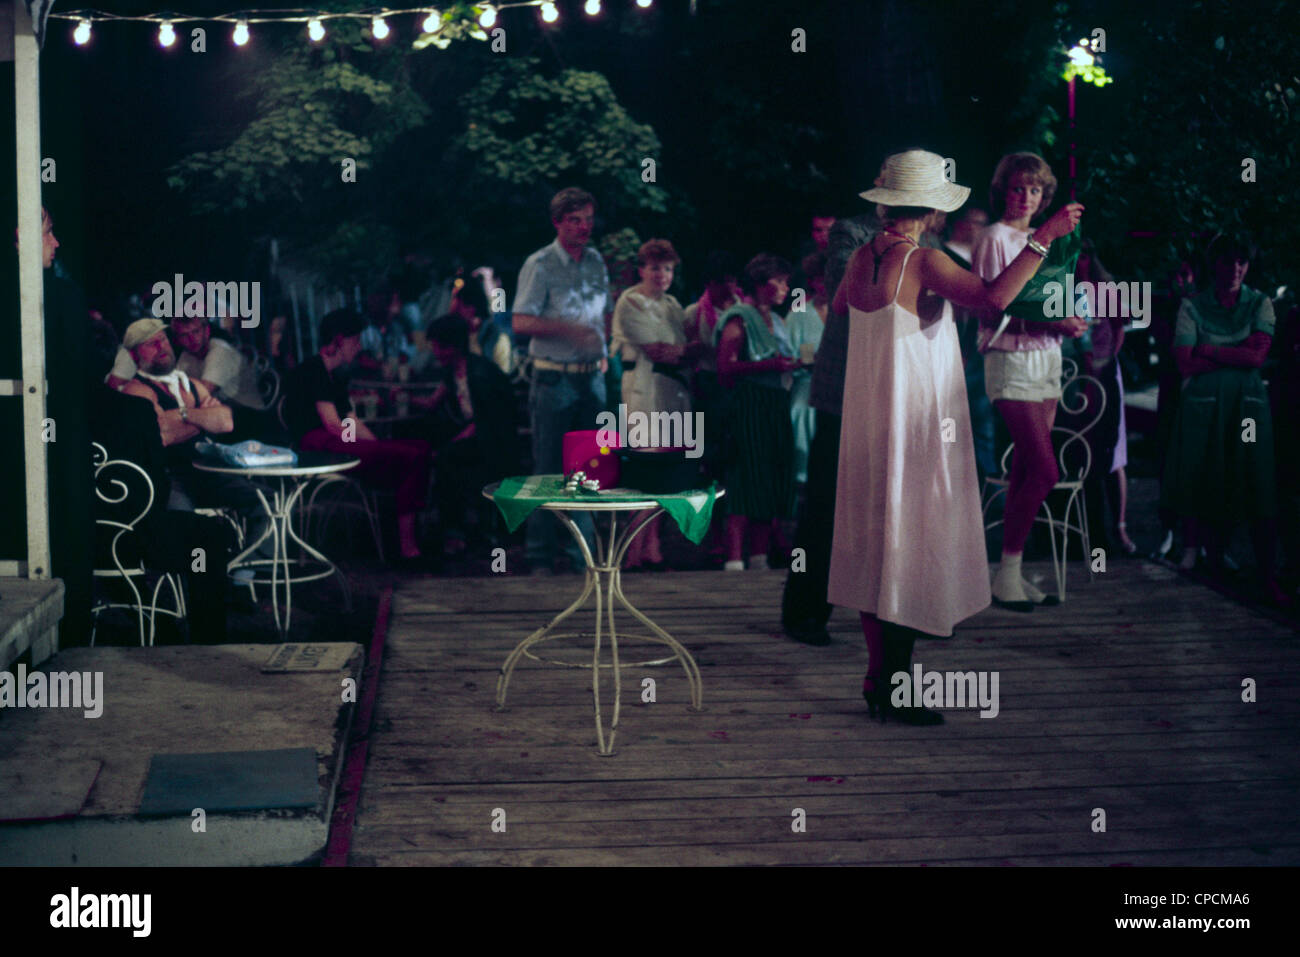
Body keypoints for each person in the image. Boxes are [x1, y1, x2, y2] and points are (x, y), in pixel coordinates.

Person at [829, 149, 1084, 724]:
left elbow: (840, 323)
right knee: (908, 545)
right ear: (928, 209)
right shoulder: (923, 260)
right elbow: (995, 299)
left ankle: (879, 680)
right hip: (914, 421)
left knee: (877, 548)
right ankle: (895, 689)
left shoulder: (859, 259)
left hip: (869, 422)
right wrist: (1042, 237)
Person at [973, 152, 1089, 610]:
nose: (1025, 197)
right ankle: (1007, 575)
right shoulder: (994, 238)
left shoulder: (1053, 238)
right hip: (1010, 361)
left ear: (1046, 196)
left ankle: (1010, 575)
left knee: (1026, 468)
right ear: (1003, 190)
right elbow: (990, 309)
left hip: (1047, 360)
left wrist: (1069, 319)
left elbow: (1050, 301)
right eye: (1018, 188)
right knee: (1045, 470)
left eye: (1035, 190)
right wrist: (1051, 323)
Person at [86, 320, 233, 643]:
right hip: (133, 537)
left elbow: (225, 421)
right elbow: (156, 484)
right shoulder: (136, 407)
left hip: (77, 539)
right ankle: (208, 643)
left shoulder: (47, 407)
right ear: (118, 358)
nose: (162, 346)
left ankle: (152, 616)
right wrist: (200, 419)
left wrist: (183, 418)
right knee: (210, 534)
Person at [1161, 234, 1285, 604]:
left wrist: (1209, 348)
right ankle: (1212, 572)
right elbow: (1184, 361)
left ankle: (1267, 576)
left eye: (1241, 263)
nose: (1234, 270)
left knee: (1257, 481)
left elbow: (1257, 358)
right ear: (1213, 264)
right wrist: (1235, 351)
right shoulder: (1193, 306)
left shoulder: (1260, 302)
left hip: (1246, 409)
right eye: (1227, 262)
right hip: (1203, 407)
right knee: (1206, 480)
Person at [779, 210, 879, 645]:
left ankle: (903, 612)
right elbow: (847, 292)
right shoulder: (852, 233)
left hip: (903, 397)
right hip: (843, 394)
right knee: (825, 506)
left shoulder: (932, 244)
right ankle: (805, 611)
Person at [511, 187, 611, 575]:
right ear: (557, 222)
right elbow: (520, 321)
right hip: (554, 379)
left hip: (592, 380)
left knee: (588, 469)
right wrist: (568, 330)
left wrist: (604, 352)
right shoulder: (539, 264)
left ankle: (581, 557)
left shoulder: (596, 261)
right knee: (548, 469)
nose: (584, 226)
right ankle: (539, 558)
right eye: (575, 220)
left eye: (588, 219)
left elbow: (603, 316)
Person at [284, 308, 433, 564]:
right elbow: (332, 424)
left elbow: (351, 421)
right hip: (317, 447)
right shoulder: (313, 368)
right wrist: (371, 448)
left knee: (418, 450)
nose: (359, 346)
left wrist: (377, 447)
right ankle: (407, 548)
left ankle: (406, 542)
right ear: (339, 340)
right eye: (356, 340)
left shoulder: (338, 375)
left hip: (338, 442)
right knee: (412, 455)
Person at [610, 239, 702, 570]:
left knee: (668, 471)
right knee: (645, 470)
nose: (661, 275)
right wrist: (689, 350)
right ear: (642, 269)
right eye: (654, 268)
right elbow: (659, 350)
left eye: (667, 268)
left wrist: (687, 350)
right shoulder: (631, 302)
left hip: (674, 392)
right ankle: (631, 552)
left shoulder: (673, 304)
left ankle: (652, 549)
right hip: (645, 392)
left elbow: (687, 347)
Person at [714, 254, 802, 571]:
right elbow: (724, 367)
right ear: (763, 284)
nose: (785, 287)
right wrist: (769, 365)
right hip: (749, 402)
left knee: (771, 474)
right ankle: (735, 559)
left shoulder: (776, 320)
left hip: (776, 401)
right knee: (745, 476)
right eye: (780, 281)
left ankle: (760, 557)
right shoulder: (739, 317)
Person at [414, 313, 519, 555]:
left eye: (439, 346)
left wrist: (450, 444)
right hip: (477, 439)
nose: (436, 352)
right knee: (436, 451)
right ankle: (453, 530)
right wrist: (404, 398)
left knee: (445, 460)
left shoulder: (482, 373)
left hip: (494, 444)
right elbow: (433, 402)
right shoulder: (453, 371)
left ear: (454, 346)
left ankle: (455, 532)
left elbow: (486, 423)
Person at [784, 251, 827, 486]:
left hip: (844, 380)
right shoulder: (800, 307)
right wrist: (811, 359)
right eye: (819, 279)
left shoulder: (849, 309)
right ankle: (801, 476)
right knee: (801, 408)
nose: (825, 284)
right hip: (808, 379)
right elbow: (791, 349)